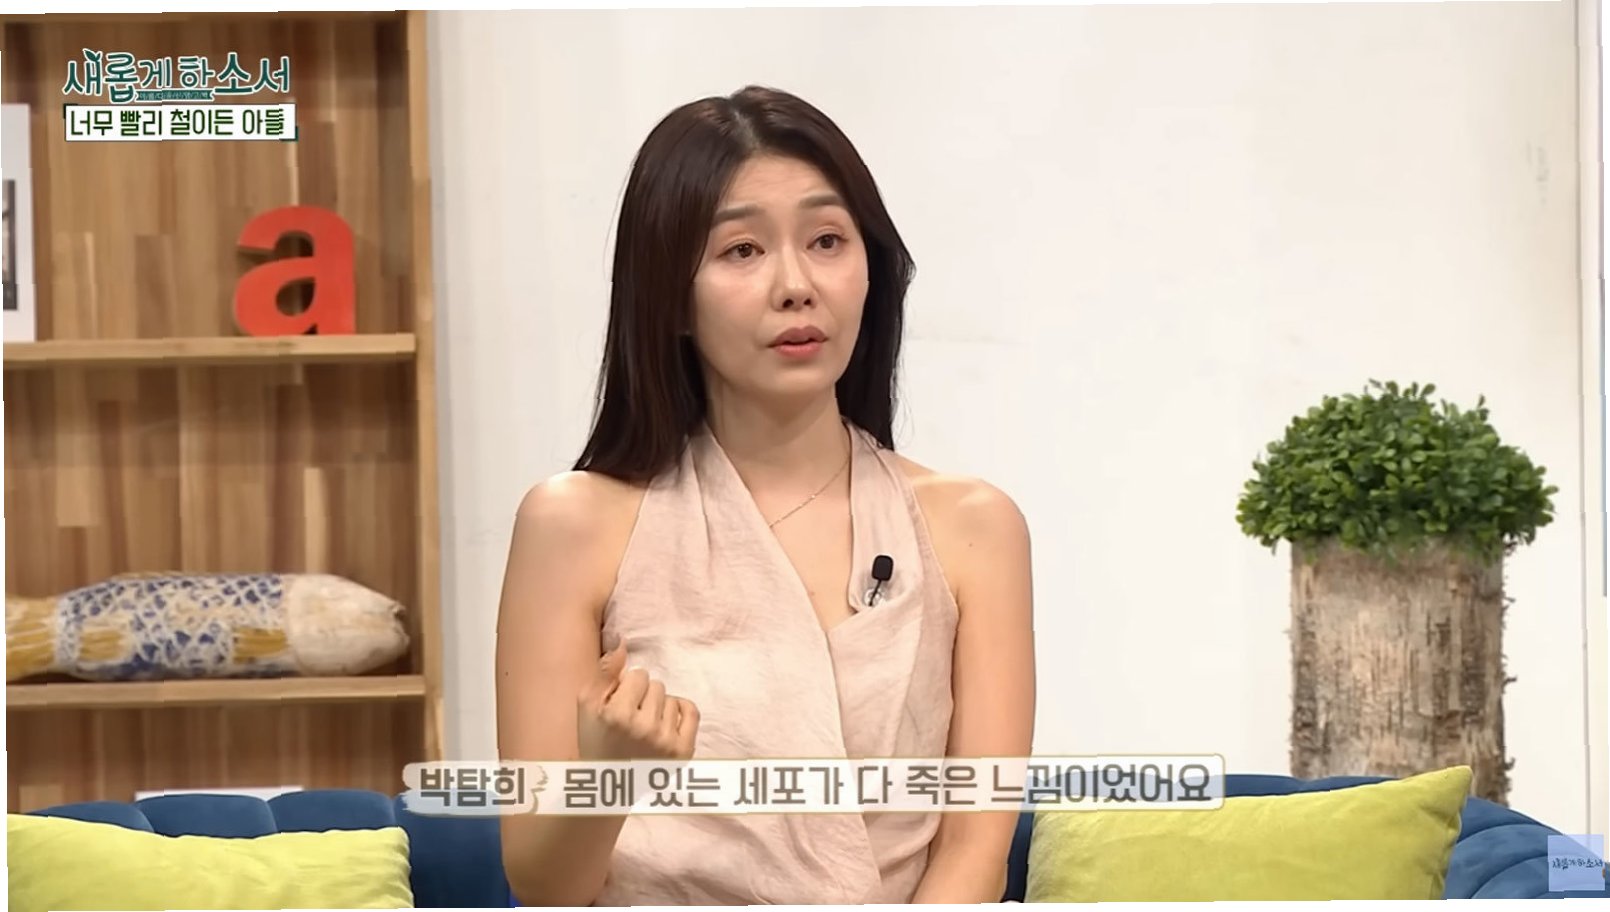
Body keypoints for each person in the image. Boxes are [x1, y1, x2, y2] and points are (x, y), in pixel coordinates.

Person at [495, 85, 1036, 906]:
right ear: (671, 297)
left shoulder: (973, 528)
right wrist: (610, 778)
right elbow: (544, 888)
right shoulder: (572, 524)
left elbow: (974, 854)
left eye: (827, 241)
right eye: (742, 250)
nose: (796, 285)